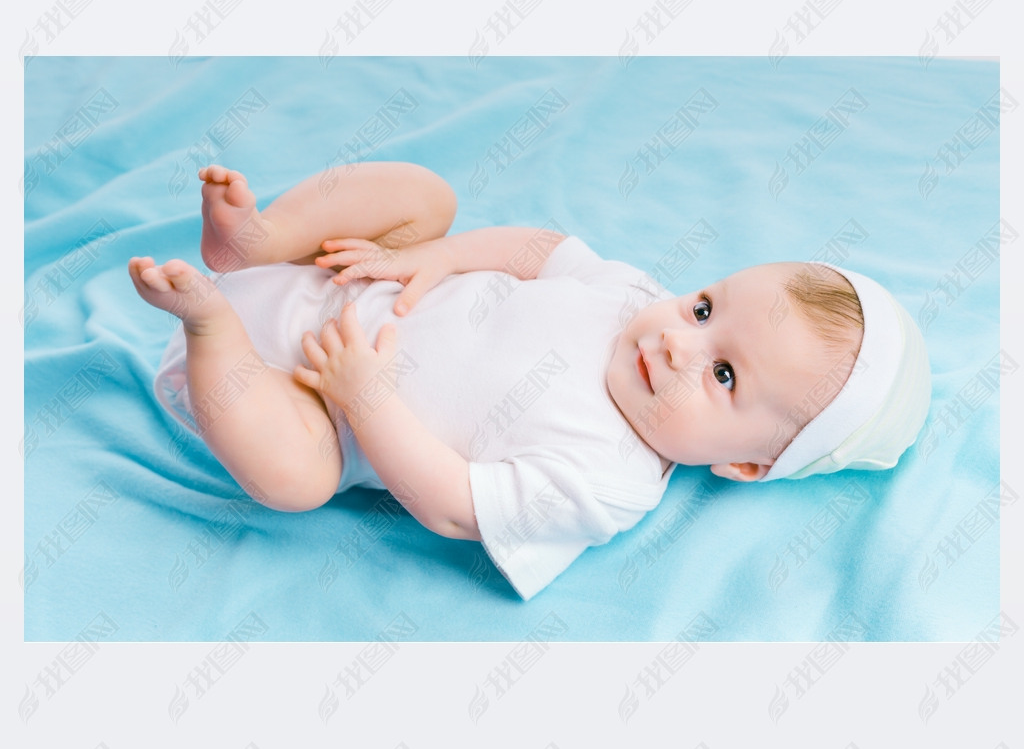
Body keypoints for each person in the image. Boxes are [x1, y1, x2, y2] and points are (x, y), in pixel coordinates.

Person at [131, 161, 932, 600]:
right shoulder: (631, 298)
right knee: (426, 198)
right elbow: (538, 249)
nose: (678, 344)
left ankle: (211, 325)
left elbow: (453, 505)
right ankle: (257, 242)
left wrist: (362, 399)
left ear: (746, 464)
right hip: (350, 272)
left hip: (302, 396)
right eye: (703, 307)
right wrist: (434, 255)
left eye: (723, 374)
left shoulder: (607, 481)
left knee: (295, 477)